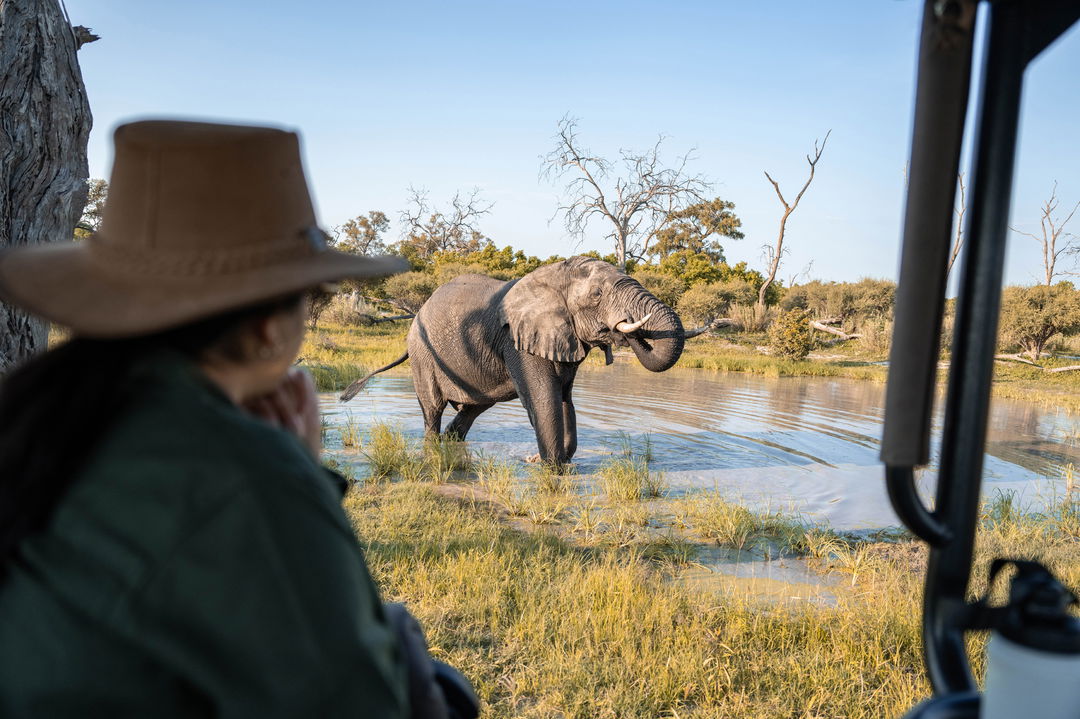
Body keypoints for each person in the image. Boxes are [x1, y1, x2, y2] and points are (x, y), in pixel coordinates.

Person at [0, 120, 472, 718]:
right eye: (309, 297)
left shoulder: (44, 412)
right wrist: (297, 475)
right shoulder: (245, 476)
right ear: (270, 327)